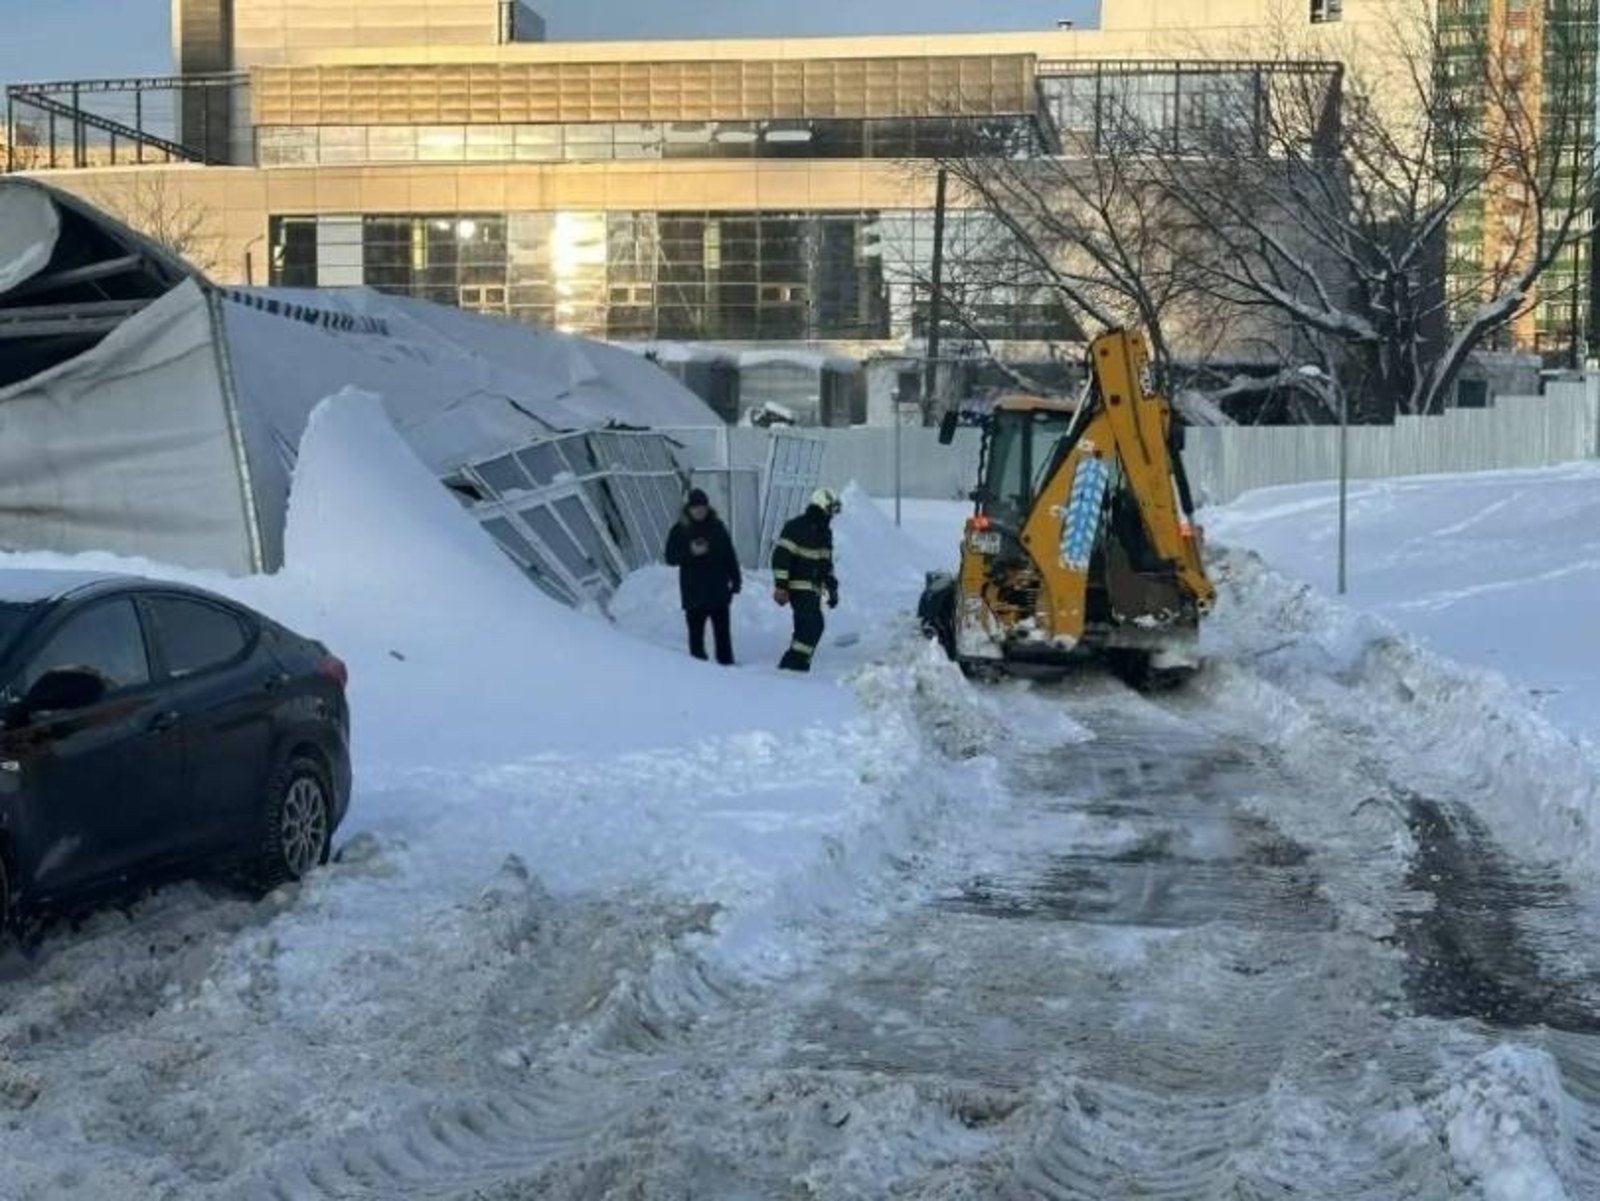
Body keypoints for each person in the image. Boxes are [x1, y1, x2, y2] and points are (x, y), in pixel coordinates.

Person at [664, 487, 742, 665]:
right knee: (696, 639)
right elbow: (670, 557)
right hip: (694, 594)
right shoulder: (679, 530)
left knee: (723, 637)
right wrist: (690, 552)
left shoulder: (717, 527)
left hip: (718, 592)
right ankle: (699, 675)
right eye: (696, 507)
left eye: (703, 507)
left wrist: (736, 579)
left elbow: (729, 555)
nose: (700, 510)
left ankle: (727, 668)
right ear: (689, 509)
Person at [772, 487, 841, 673]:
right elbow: (780, 557)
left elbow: (826, 564)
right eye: (830, 509)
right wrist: (781, 587)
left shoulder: (825, 533)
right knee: (813, 625)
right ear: (820, 507)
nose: (831, 515)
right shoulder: (796, 527)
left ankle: (796, 666)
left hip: (814, 590)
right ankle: (793, 665)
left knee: (808, 628)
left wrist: (832, 589)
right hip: (797, 587)